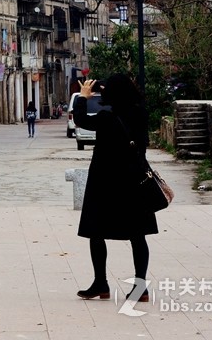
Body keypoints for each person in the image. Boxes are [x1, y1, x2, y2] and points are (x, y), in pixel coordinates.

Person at [73, 74, 158, 302]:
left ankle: (100, 282)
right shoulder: (140, 114)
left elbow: (80, 119)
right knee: (137, 235)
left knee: (96, 232)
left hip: (105, 180)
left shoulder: (106, 117)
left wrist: (83, 97)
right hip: (134, 180)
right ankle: (140, 287)